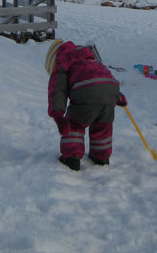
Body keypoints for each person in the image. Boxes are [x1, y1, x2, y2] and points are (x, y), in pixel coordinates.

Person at [45, 39, 127, 171]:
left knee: (74, 124)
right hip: (109, 91)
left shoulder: (62, 61)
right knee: (102, 125)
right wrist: (117, 95)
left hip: (86, 91)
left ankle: (71, 158)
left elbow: (57, 90)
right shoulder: (90, 58)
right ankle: (101, 157)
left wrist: (58, 114)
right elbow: (104, 76)